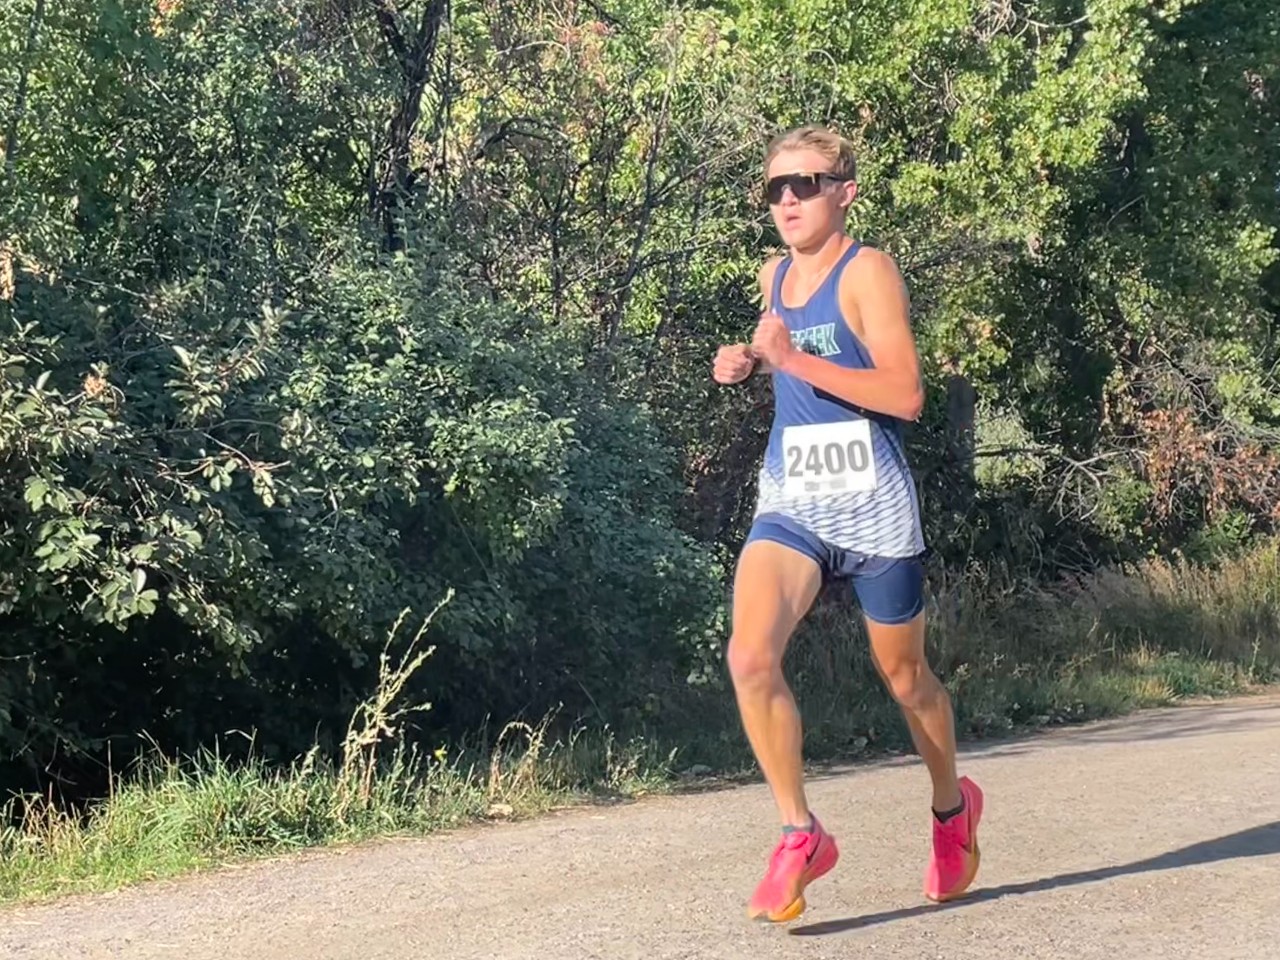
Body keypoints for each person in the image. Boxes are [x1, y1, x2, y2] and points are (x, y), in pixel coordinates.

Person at [711, 125, 984, 923]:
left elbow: (904, 396)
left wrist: (791, 360)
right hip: (794, 495)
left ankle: (950, 807)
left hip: (873, 504)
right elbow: (784, 351)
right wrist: (749, 361)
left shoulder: (869, 272)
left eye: (806, 183)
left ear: (844, 192)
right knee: (749, 655)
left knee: (906, 678)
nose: (788, 199)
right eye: (775, 188)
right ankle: (800, 833)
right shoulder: (773, 275)